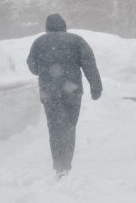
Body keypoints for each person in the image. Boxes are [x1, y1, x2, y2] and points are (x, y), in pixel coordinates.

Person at [26, 14, 102, 179]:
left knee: (54, 128)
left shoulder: (39, 42)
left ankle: (59, 166)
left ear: (47, 27)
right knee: (69, 127)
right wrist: (96, 87)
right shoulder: (77, 41)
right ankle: (66, 165)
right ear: (64, 26)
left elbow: (32, 67)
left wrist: (47, 69)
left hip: (49, 93)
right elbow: (89, 64)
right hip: (72, 92)